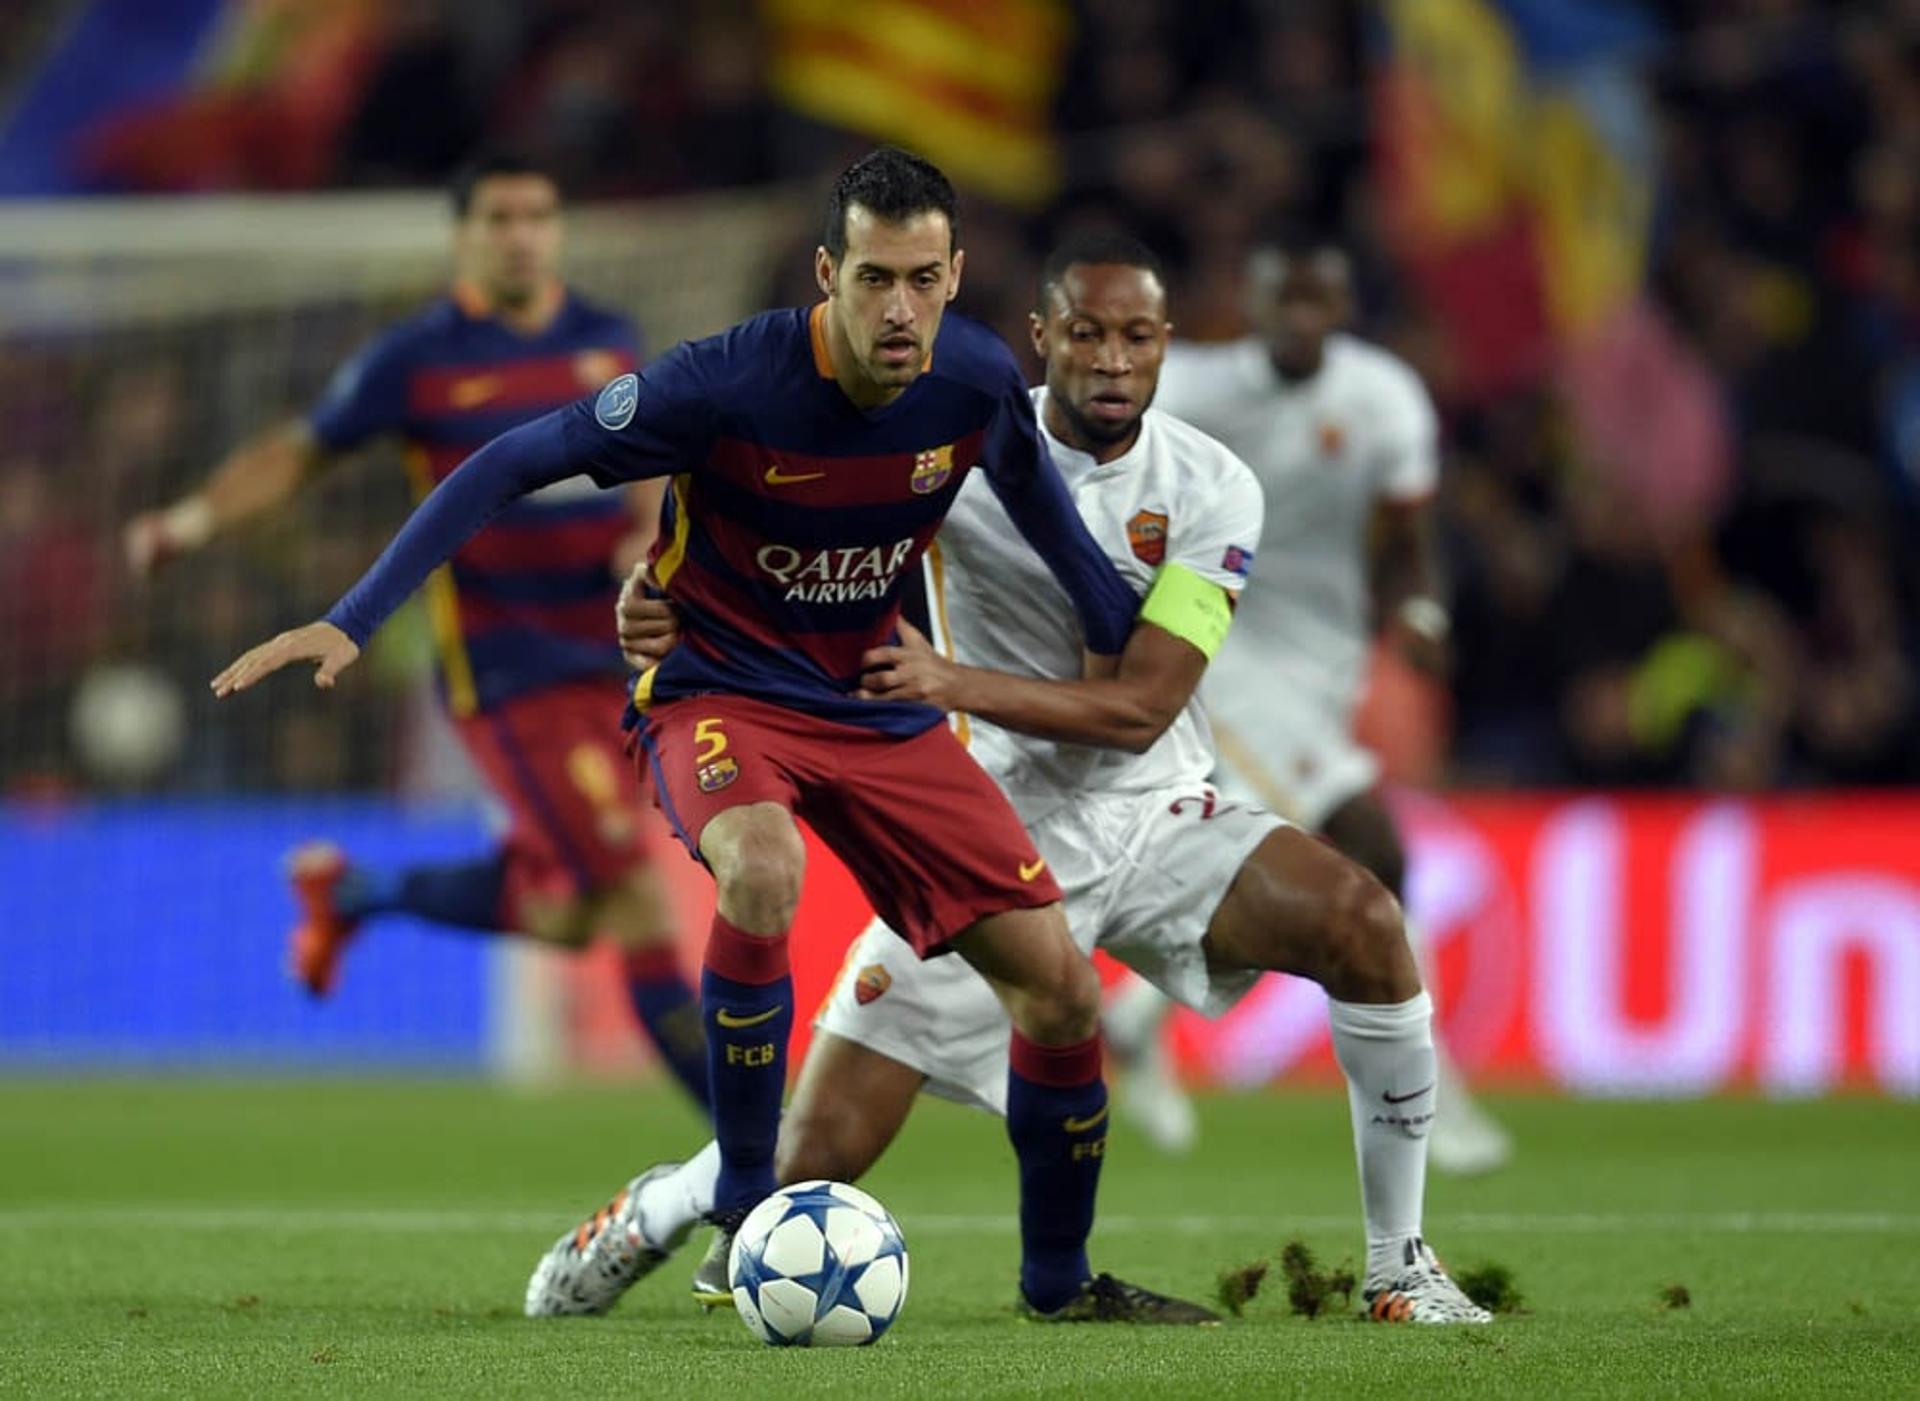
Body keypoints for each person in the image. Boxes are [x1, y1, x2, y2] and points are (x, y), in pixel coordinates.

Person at [210, 148, 1211, 1325]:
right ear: (829, 273)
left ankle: (1058, 1285)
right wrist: (354, 617)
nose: (900, 310)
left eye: (925, 280)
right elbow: (507, 461)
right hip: (719, 692)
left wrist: (1131, 642)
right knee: (762, 870)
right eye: (876, 278)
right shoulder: (721, 382)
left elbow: (1063, 544)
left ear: (955, 276)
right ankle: (747, 1205)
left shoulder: (977, 381)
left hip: (882, 705)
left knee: (1057, 992)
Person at [532, 234, 1490, 1327]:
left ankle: (1398, 1267)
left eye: (1137, 337)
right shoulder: (950, 443)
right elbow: (776, 542)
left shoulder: (1213, 486)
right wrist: (654, 600)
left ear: (1167, 348)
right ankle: (667, 1203)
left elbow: (1139, 709)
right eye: (1085, 333)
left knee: (1366, 925)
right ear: (1043, 341)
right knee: (800, 1174)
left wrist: (950, 677)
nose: (1112, 360)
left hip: (1162, 813)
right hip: (983, 826)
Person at [126, 153, 709, 1109]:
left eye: (538, 215)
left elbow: (648, 466)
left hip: (615, 659)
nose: (521, 234)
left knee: (567, 911)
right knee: (633, 894)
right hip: (507, 672)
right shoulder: (419, 357)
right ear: (466, 235)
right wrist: (187, 522)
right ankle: (755, 1160)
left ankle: (354, 896)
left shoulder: (609, 339)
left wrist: (646, 533)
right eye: (500, 217)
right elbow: (297, 453)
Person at [1126, 238, 1514, 1174]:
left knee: (1256, 862)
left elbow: (1410, 537)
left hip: (1323, 667)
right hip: (1222, 647)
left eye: (1319, 298)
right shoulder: (1193, 389)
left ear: (1343, 302)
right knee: (1374, 849)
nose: (1302, 315)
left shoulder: (1382, 398)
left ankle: (1131, 1020)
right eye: (1284, 297)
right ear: (1251, 303)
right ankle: (1431, 1091)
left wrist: (1419, 610)